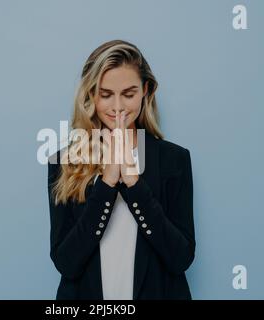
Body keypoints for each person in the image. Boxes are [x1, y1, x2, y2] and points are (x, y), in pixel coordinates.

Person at [47, 39, 195, 300]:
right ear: (91, 94)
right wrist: (106, 184)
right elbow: (66, 263)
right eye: (106, 94)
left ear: (145, 91)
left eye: (128, 94)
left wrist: (134, 184)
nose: (118, 107)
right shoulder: (64, 162)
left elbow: (180, 258)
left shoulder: (175, 160)